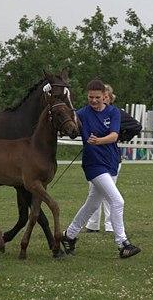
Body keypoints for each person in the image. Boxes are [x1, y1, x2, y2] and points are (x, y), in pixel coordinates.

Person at [61, 79, 141, 258]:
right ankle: (123, 244)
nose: (94, 100)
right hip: (93, 165)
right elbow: (69, 127)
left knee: (92, 205)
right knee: (117, 201)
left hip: (111, 162)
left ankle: (69, 235)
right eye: (90, 97)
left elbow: (114, 136)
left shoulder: (113, 112)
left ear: (105, 97)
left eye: (97, 97)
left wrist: (98, 141)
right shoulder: (81, 114)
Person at [85, 84, 142, 234]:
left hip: (111, 158)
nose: (98, 100)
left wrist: (119, 137)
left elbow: (136, 126)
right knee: (93, 193)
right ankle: (92, 224)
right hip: (94, 159)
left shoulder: (116, 113)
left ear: (108, 97)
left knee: (111, 195)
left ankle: (110, 226)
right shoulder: (89, 113)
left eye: (102, 97)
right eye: (94, 97)